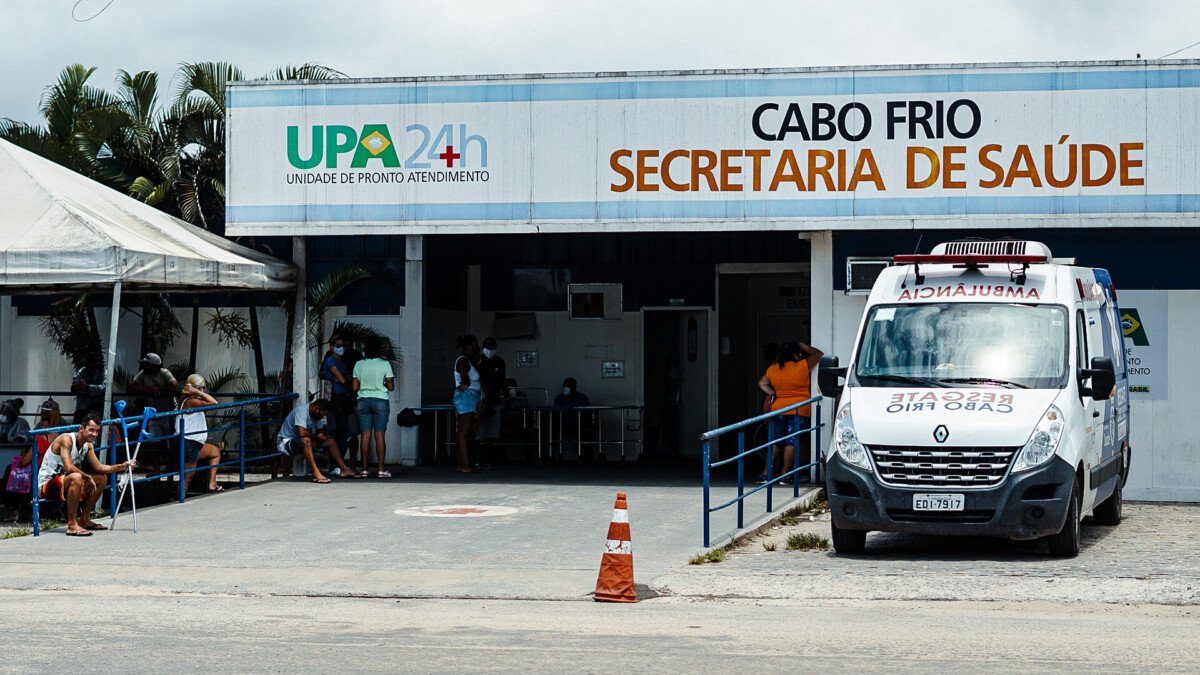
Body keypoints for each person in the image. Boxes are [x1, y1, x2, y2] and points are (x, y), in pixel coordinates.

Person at [37, 413, 136, 536]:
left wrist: (123, 465)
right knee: (76, 477)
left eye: (97, 431)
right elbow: (68, 467)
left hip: (67, 482)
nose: (94, 434)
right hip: (46, 485)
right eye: (91, 430)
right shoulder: (66, 439)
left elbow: (99, 467)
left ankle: (84, 519)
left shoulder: (88, 444)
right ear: (81, 429)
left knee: (101, 478)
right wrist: (87, 477)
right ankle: (72, 524)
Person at [757, 340, 824, 484]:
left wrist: (773, 393)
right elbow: (819, 354)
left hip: (779, 408)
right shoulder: (801, 366)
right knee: (792, 441)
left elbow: (762, 383)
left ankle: (765, 473)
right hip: (799, 409)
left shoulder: (773, 369)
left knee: (775, 441)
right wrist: (802, 345)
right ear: (796, 355)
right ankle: (785, 474)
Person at [276, 399, 356, 484]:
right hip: (286, 442)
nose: (322, 417)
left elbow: (322, 428)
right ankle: (316, 472)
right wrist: (316, 437)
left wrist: (321, 435)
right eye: (323, 414)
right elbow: (302, 433)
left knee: (330, 441)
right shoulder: (301, 411)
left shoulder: (316, 415)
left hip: (302, 442)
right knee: (306, 440)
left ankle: (344, 469)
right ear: (317, 408)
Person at [127, 353, 180, 469]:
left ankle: (173, 468)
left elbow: (176, 388)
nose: (144, 367)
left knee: (172, 441)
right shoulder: (144, 374)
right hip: (154, 414)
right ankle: (156, 470)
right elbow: (130, 387)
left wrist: (160, 389)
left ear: (154, 366)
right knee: (154, 443)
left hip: (169, 412)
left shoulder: (164, 373)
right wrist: (148, 389)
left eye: (147, 365)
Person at [352, 336, 395, 478]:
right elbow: (391, 387)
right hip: (380, 400)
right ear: (379, 349)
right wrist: (382, 384)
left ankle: (364, 469)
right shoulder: (385, 364)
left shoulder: (359, 364)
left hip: (363, 401)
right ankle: (381, 469)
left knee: (365, 435)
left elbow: (354, 387)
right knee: (380, 435)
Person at [176, 374, 223, 494]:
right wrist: (199, 392)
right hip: (189, 442)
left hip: (194, 442)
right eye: (202, 388)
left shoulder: (188, 400)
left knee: (215, 452)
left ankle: (212, 483)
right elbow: (214, 402)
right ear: (196, 388)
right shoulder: (191, 401)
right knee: (188, 476)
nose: (203, 390)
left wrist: (198, 392)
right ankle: (179, 499)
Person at [321, 335, 359, 474]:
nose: (341, 348)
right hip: (335, 399)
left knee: (345, 433)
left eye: (343, 345)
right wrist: (351, 386)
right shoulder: (330, 361)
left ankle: (338, 464)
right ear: (331, 347)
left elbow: (345, 379)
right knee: (336, 432)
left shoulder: (342, 363)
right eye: (338, 345)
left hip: (344, 398)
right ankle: (334, 466)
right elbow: (342, 379)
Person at [452, 334, 482, 474]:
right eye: (475, 344)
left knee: (467, 431)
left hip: (472, 396)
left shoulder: (470, 360)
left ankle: (463, 463)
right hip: (466, 397)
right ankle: (465, 465)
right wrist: (466, 384)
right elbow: (465, 377)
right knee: (464, 431)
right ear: (469, 345)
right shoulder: (463, 360)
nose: (477, 347)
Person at [476, 337, 507, 464]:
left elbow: (503, 380)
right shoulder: (478, 361)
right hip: (481, 402)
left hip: (495, 401)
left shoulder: (499, 361)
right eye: (488, 348)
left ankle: (487, 459)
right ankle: (477, 459)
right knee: (479, 433)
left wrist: (507, 396)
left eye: (493, 348)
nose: (490, 351)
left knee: (492, 433)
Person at [70, 353, 106, 423]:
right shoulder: (83, 371)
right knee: (78, 426)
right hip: (82, 409)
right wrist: (77, 385)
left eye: (94, 365)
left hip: (97, 410)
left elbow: (104, 388)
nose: (91, 367)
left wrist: (87, 387)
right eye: (90, 365)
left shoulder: (104, 373)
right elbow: (75, 384)